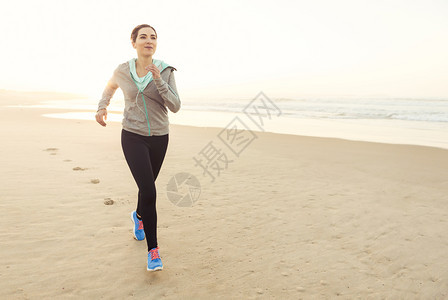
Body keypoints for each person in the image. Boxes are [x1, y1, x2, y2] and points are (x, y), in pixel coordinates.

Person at [95, 24, 181, 271]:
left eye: (153, 37)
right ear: (134, 43)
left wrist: (158, 81)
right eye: (143, 37)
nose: (148, 40)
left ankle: (138, 216)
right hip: (132, 135)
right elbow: (110, 85)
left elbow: (175, 106)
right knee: (149, 190)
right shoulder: (123, 70)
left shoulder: (165, 70)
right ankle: (153, 251)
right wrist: (102, 106)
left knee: (146, 188)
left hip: (159, 137)